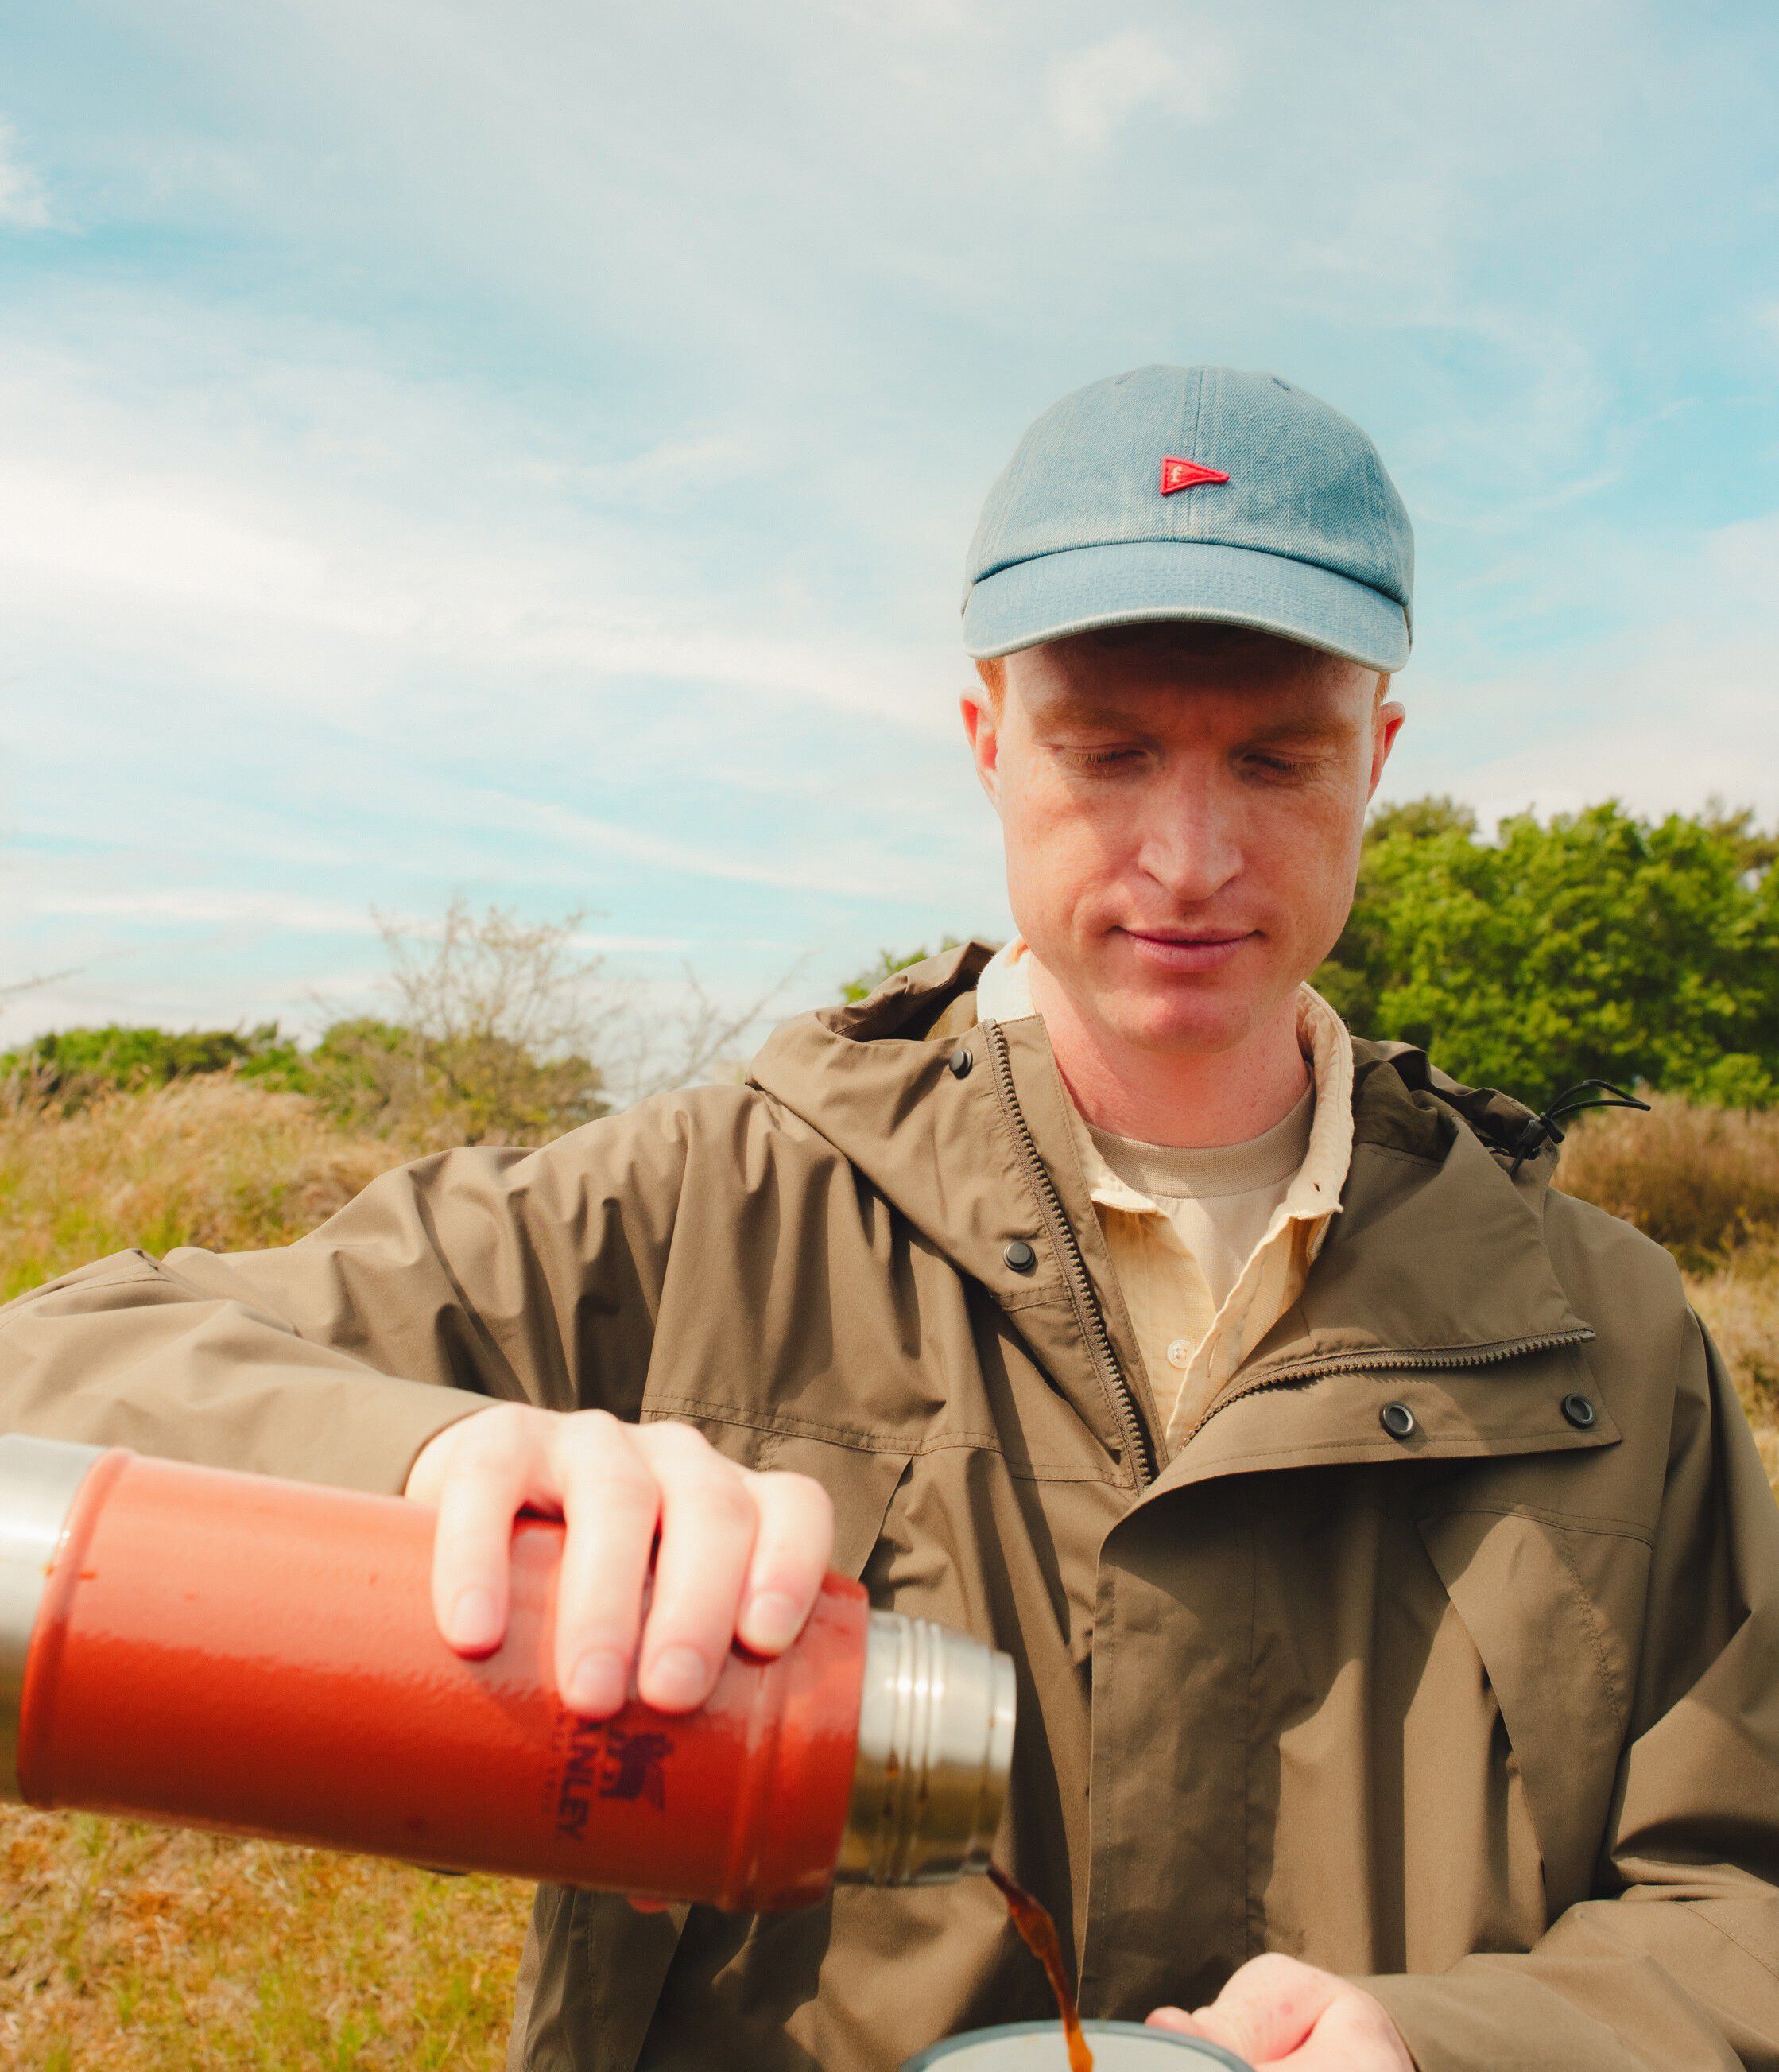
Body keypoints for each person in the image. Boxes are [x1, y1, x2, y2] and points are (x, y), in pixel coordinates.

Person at [4, 363, 1777, 2072]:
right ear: (987, 741)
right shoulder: (701, 1207)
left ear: (1375, 760)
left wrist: (1443, 2047)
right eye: (1108, 752)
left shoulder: (1609, 1335)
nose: (1186, 859)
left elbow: (1742, 1897)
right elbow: (52, 1375)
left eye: (1275, 763)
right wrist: (442, 1459)